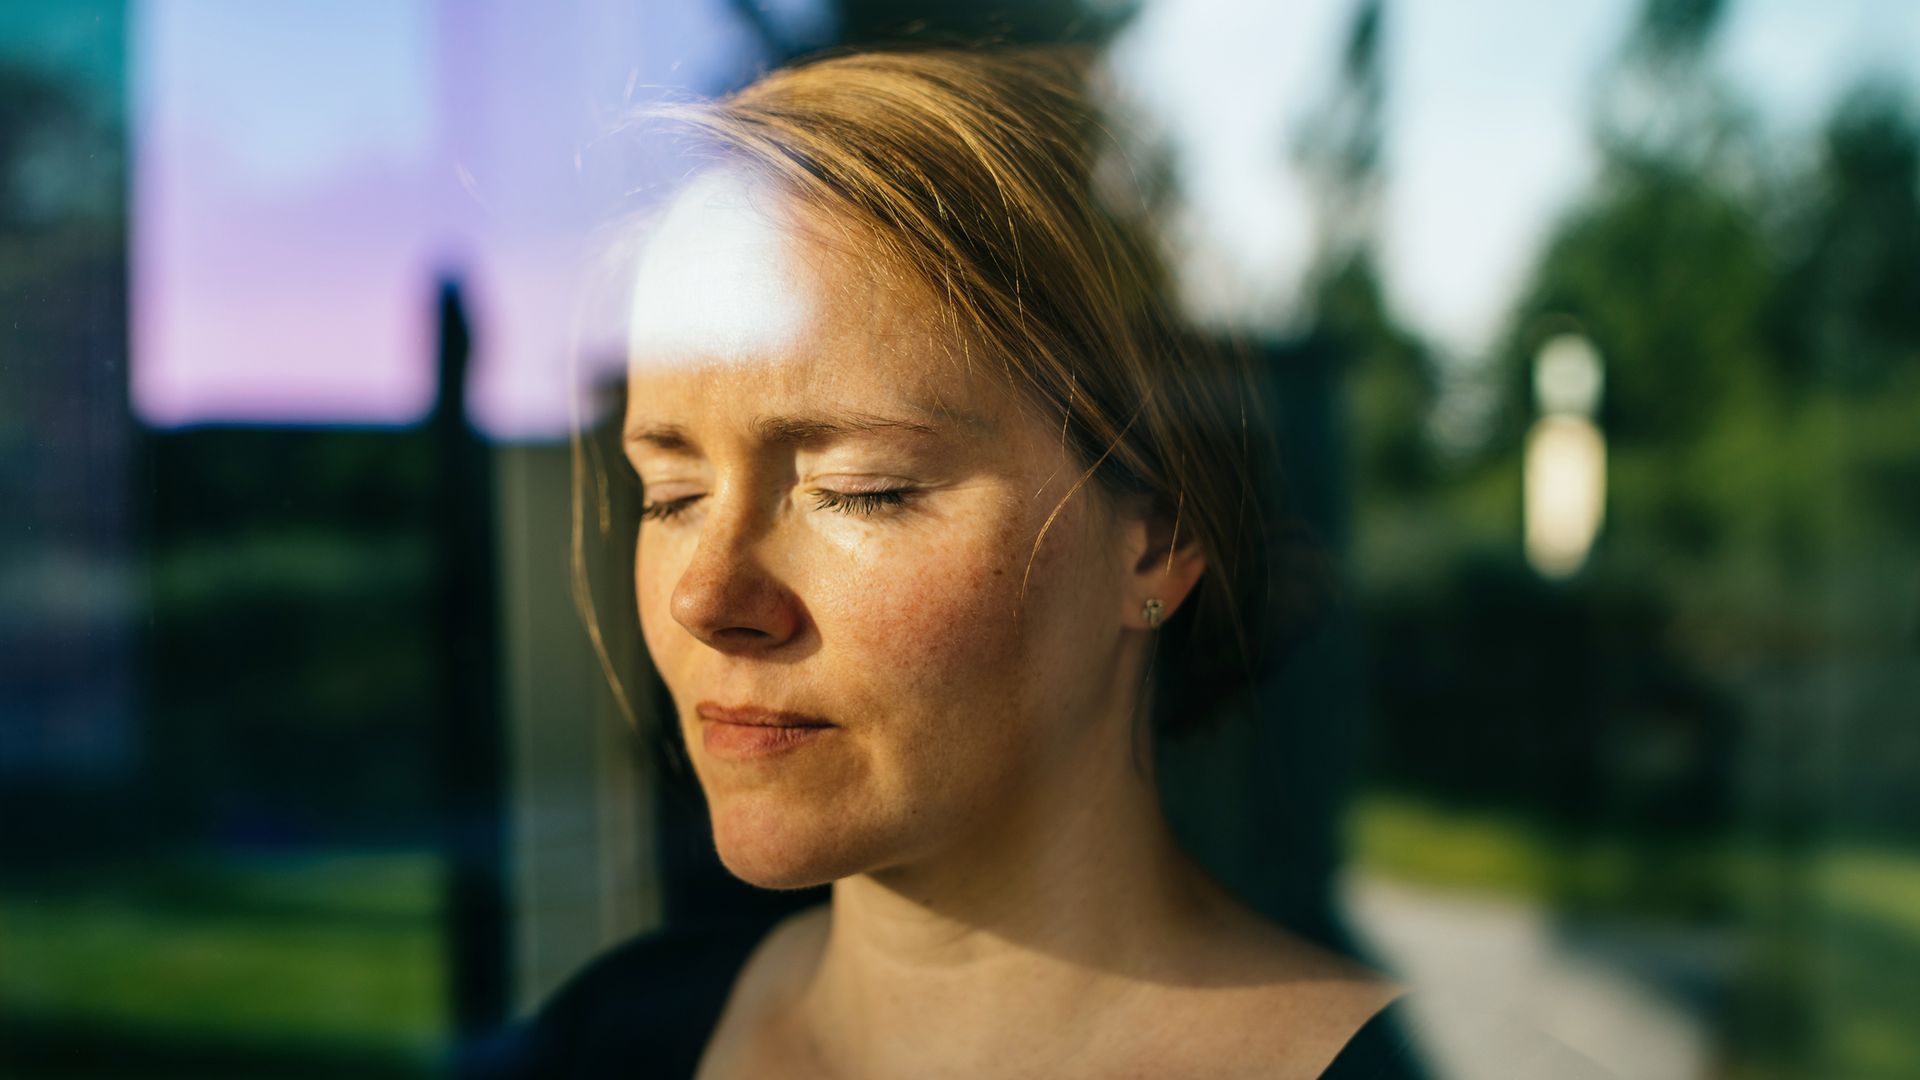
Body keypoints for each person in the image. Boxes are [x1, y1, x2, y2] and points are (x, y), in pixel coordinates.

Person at [472, 47, 1425, 1079]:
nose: (707, 596)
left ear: (1152, 540)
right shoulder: (603, 1043)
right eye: (672, 495)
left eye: (864, 488)